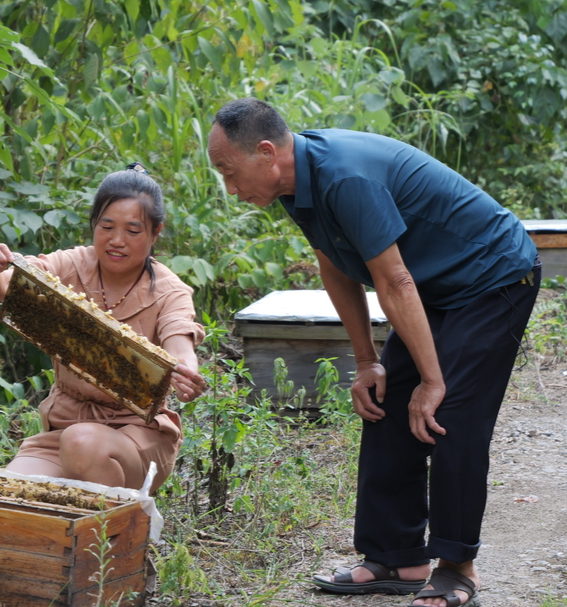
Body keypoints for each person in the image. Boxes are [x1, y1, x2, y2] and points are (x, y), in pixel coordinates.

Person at [207, 98, 541, 607]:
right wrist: (368, 362)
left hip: (492, 275)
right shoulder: (297, 185)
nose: (230, 189)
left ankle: (456, 567)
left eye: (229, 173)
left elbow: (394, 279)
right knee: (386, 400)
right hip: (437, 287)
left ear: (267, 152)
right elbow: (336, 268)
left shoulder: (343, 178)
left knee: (448, 412)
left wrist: (432, 381)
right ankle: (397, 557)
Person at [0, 165, 206, 493]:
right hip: (65, 426)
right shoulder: (70, 264)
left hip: (136, 433)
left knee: (82, 442)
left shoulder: (170, 289)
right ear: (93, 224)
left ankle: (117, 540)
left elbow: (179, 341)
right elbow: (1, 288)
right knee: (7, 494)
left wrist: (186, 371)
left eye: (133, 231)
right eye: (106, 226)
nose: (116, 241)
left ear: (155, 233)